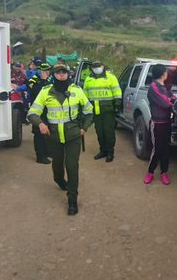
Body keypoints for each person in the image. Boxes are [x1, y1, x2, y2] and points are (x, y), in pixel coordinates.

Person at [28, 64, 93, 215]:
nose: (62, 75)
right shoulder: (45, 92)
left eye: (64, 72)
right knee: (57, 166)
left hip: (73, 136)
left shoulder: (76, 91)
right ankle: (59, 180)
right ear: (54, 75)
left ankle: (72, 200)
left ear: (68, 74)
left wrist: (84, 128)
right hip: (54, 137)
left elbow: (89, 112)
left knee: (72, 166)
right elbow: (32, 113)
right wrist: (41, 124)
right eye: (58, 73)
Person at [83, 61, 122, 162]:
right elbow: (85, 95)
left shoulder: (110, 77)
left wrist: (117, 104)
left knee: (108, 132)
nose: (96, 69)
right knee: (99, 132)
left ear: (103, 67)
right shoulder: (88, 79)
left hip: (108, 109)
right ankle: (103, 150)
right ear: (92, 68)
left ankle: (110, 152)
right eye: (94, 67)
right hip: (95, 111)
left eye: (98, 67)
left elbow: (117, 91)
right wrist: (85, 108)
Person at [144, 64, 176, 185]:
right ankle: (150, 172)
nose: (167, 74)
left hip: (167, 122)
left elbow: (171, 97)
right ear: (163, 74)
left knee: (166, 148)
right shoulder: (154, 87)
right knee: (156, 149)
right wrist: (175, 105)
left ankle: (164, 172)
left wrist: (176, 99)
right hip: (157, 123)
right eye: (166, 72)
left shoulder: (164, 87)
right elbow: (165, 102)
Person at [27, 62, 53, 164]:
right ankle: (40, 156)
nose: (47, 72)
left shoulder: (49, 80)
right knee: (39, 134)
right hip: (37, 110)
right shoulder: (33, 80)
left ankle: (47, 152)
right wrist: (42, 80)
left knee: (47, 131)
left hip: (48, 110)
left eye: (48, 70)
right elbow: (35, 91)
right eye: (46, 70)